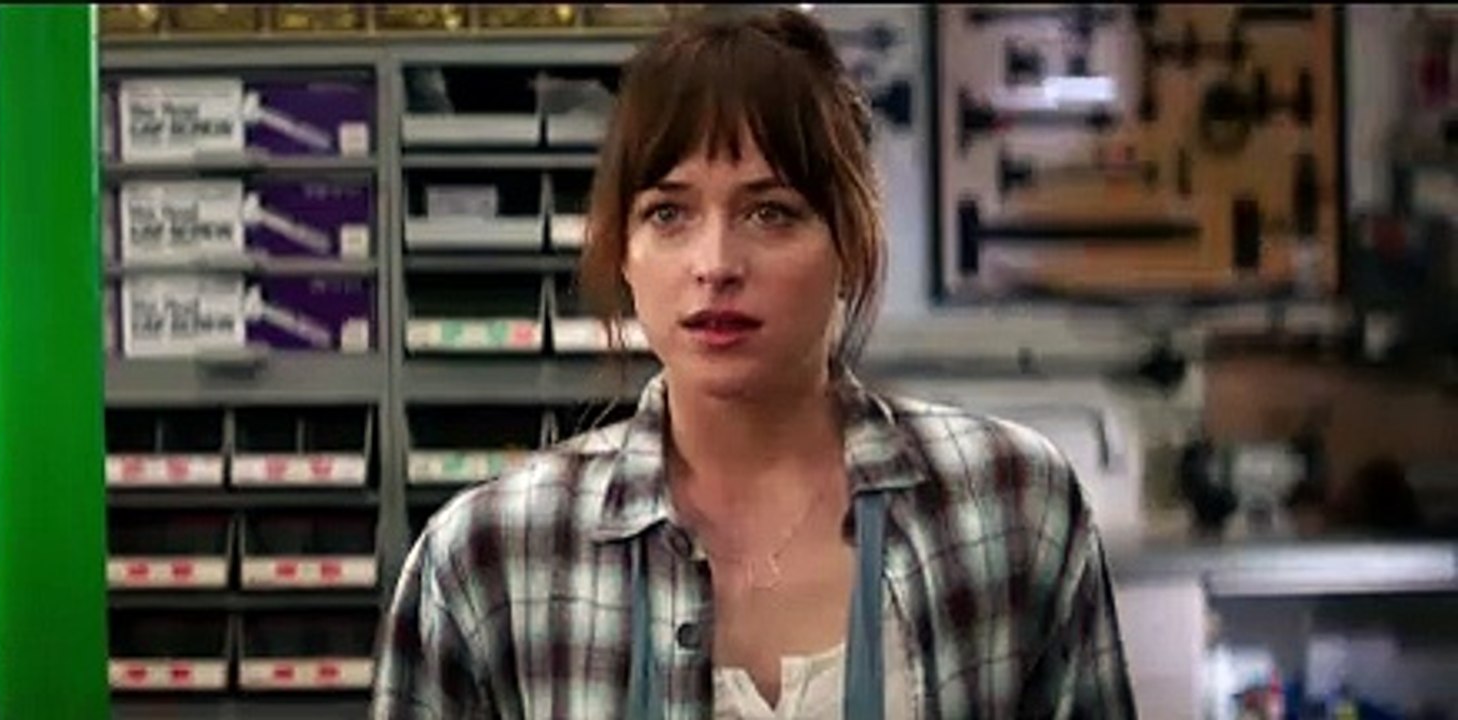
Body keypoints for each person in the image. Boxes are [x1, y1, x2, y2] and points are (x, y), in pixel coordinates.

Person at [372, 7, 1137, 719]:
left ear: (851, 240)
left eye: (770, 212)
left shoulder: (1011, 506)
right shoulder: (488, 558)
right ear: (622, 251)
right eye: (668, 213)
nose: (715, 264)